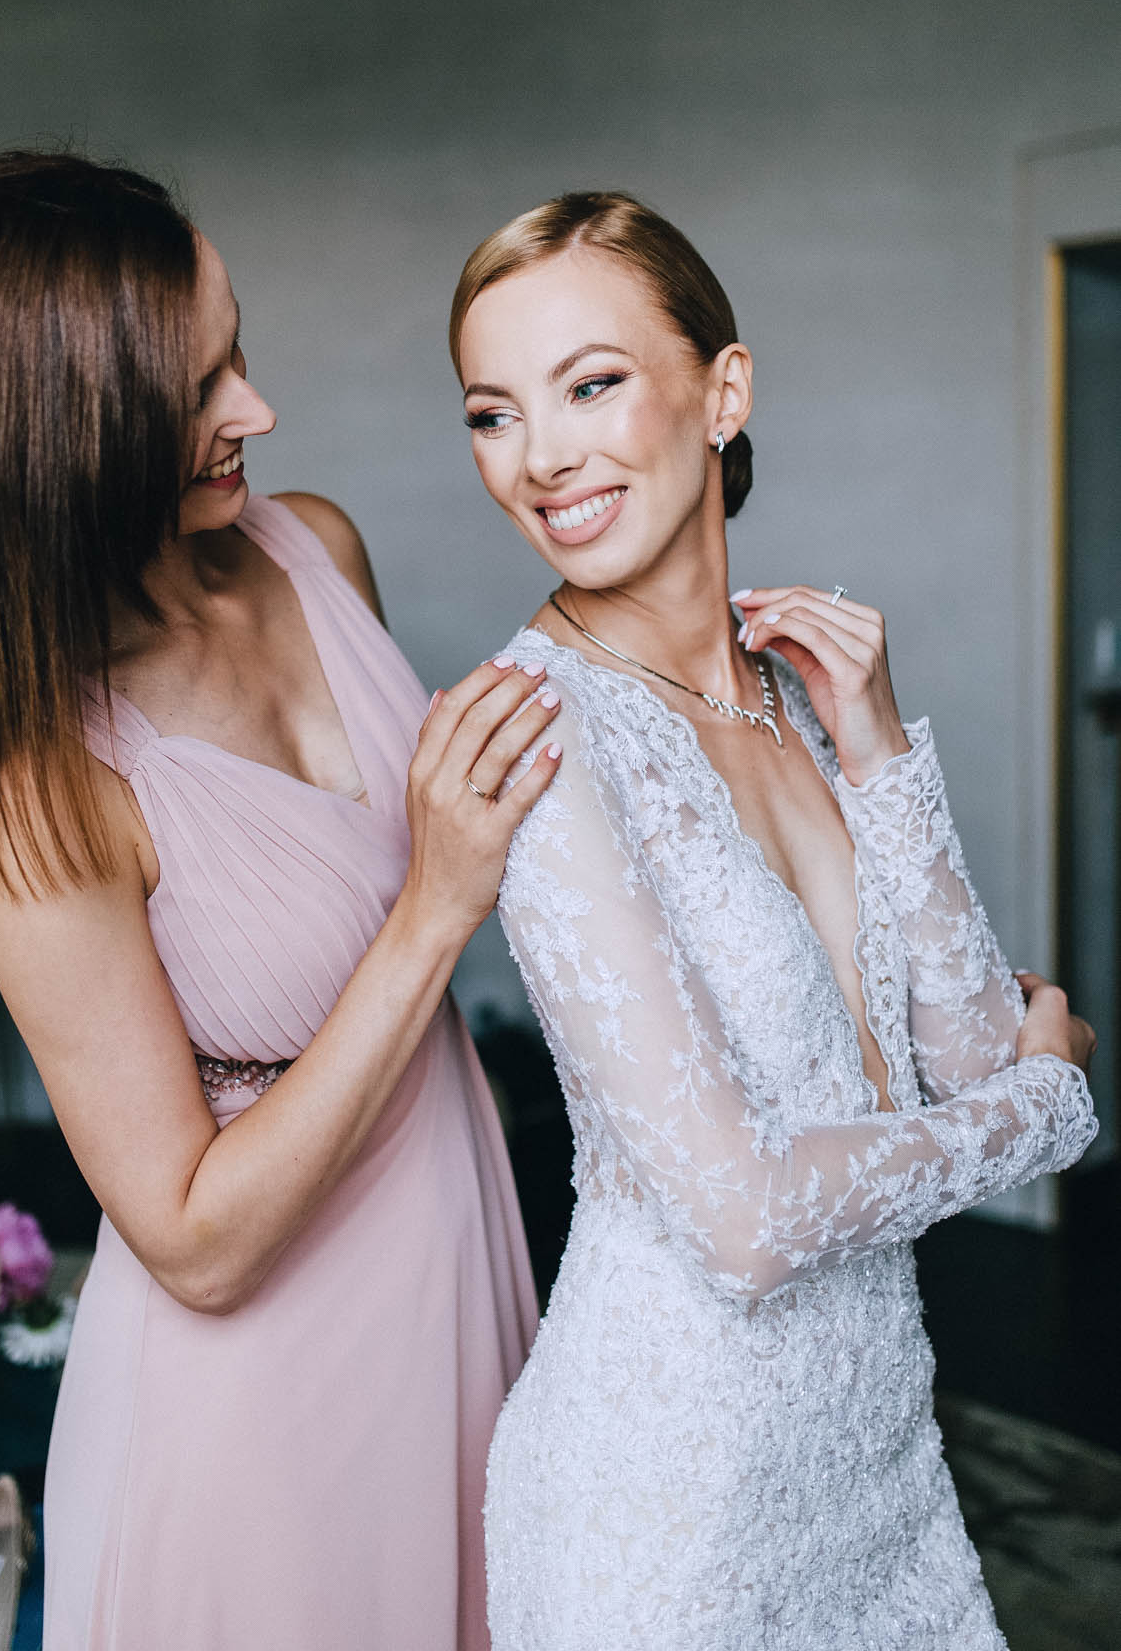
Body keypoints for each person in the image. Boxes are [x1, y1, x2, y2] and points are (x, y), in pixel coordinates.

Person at [0, 150, 561, 1651]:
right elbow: (192, 1240)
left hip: (455, 1242)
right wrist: (436, 910)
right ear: (65, 436)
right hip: (265, 1399)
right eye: (198, 391)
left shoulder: (317, 548)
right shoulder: (45, 791)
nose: (255, 409)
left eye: (237, 350)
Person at [447, 190, 1097, 1650]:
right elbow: (745, 1221)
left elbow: (960, 1055)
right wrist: (1049, 1110)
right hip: (665, 1510)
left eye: (589, 385)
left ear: (722, 392)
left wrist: (876, 747)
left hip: (878, 1465)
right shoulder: (537, 733)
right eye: (494, 414)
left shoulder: (793, 692)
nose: (541, 457)